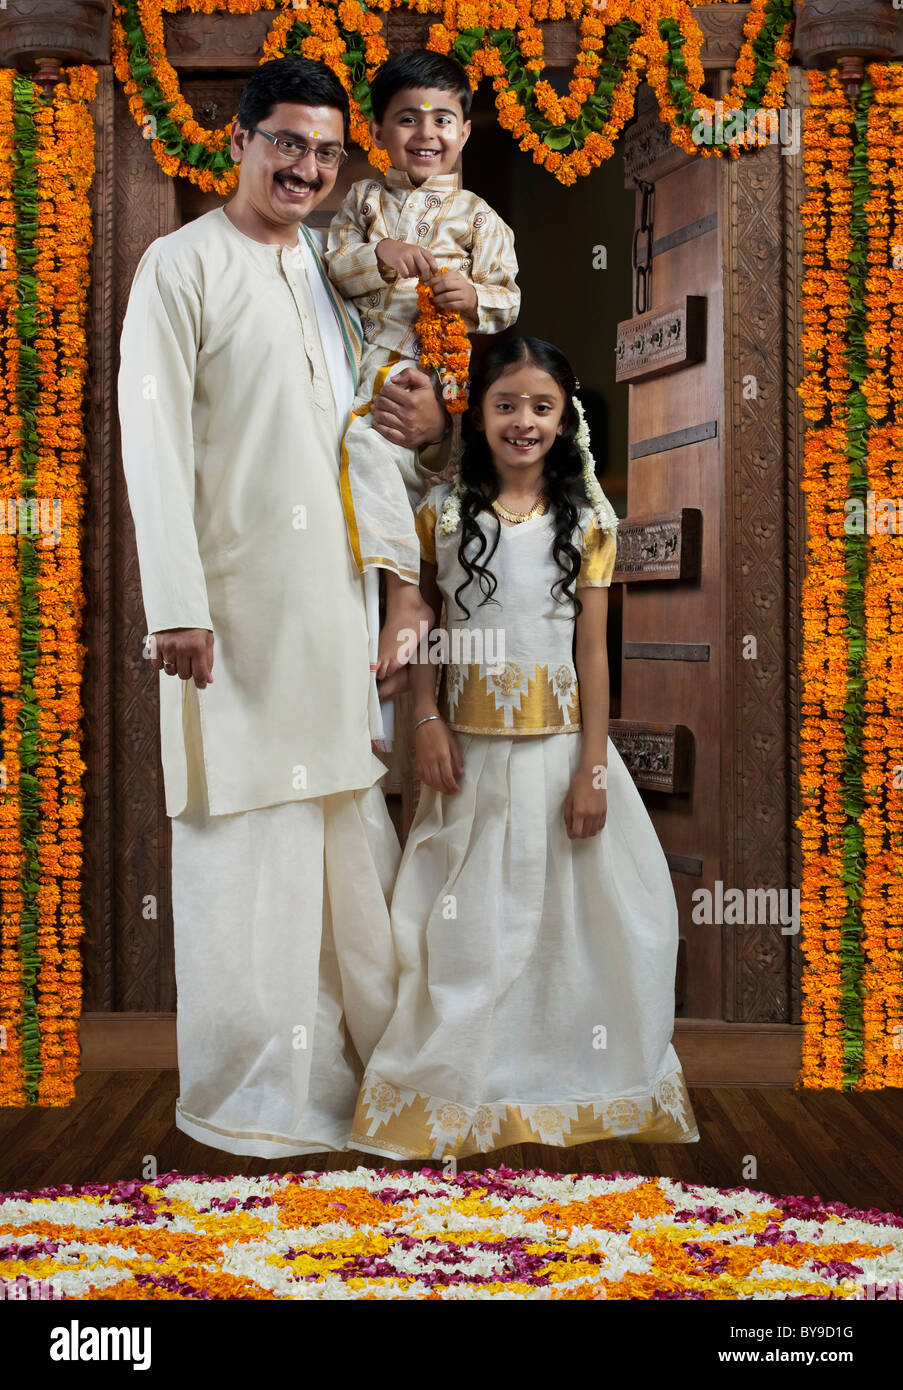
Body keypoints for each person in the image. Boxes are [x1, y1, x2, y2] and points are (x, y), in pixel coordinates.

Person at [117, 57, 451, 1159]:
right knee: (244, 836)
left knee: (346, 832)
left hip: (335, 613)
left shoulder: (329, 277)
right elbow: (152, 438)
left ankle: (362, 1079)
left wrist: (402, 592)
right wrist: (177, 603)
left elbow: (366, 443)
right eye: (287, 143)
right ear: (242, 142)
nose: (307, 166)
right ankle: (253, 1094)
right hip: (231, 619)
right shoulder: (180, 267)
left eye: (324, 150)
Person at [349, 337, 700, 1159]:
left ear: (563, 417)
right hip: (467, 757)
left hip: (558, 755)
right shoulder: (442, 511)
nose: (523, 421)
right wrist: (426, 724)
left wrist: (591, 770)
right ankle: (462, 1080)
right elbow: (425, 625)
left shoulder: (586, 520)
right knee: (466, 926)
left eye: (542, 406)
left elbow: (590, 653)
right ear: (479, 412)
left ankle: (566, 1077)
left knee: (581, 924)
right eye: (506, 404)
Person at [324, 49, 520, 725]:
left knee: (380, 456)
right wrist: (376, 257)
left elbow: (507, 299)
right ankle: (371, 690)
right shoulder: (361, 201)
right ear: (374, 132)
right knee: (357, 468)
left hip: (432, 378)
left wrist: (472, 296)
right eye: (406, 119)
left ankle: (406, 597)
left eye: (442, 118)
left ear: (465, 131)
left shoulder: (476, 216)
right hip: (360, 368)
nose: (425, 133)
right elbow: (330, 265)